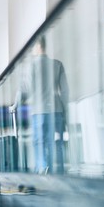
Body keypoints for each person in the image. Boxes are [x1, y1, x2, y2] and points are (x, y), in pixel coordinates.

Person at [11, 36, 69, 174]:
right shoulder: (57, 64)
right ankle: (58, 171)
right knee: (56, 143)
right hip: (56, 110)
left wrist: (15, 105)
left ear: (38, 46)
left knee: (39, 143)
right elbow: (65, 90)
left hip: (38, 111)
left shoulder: (30, 66)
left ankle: (42, 170)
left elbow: (24, 89)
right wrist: (65, 109)